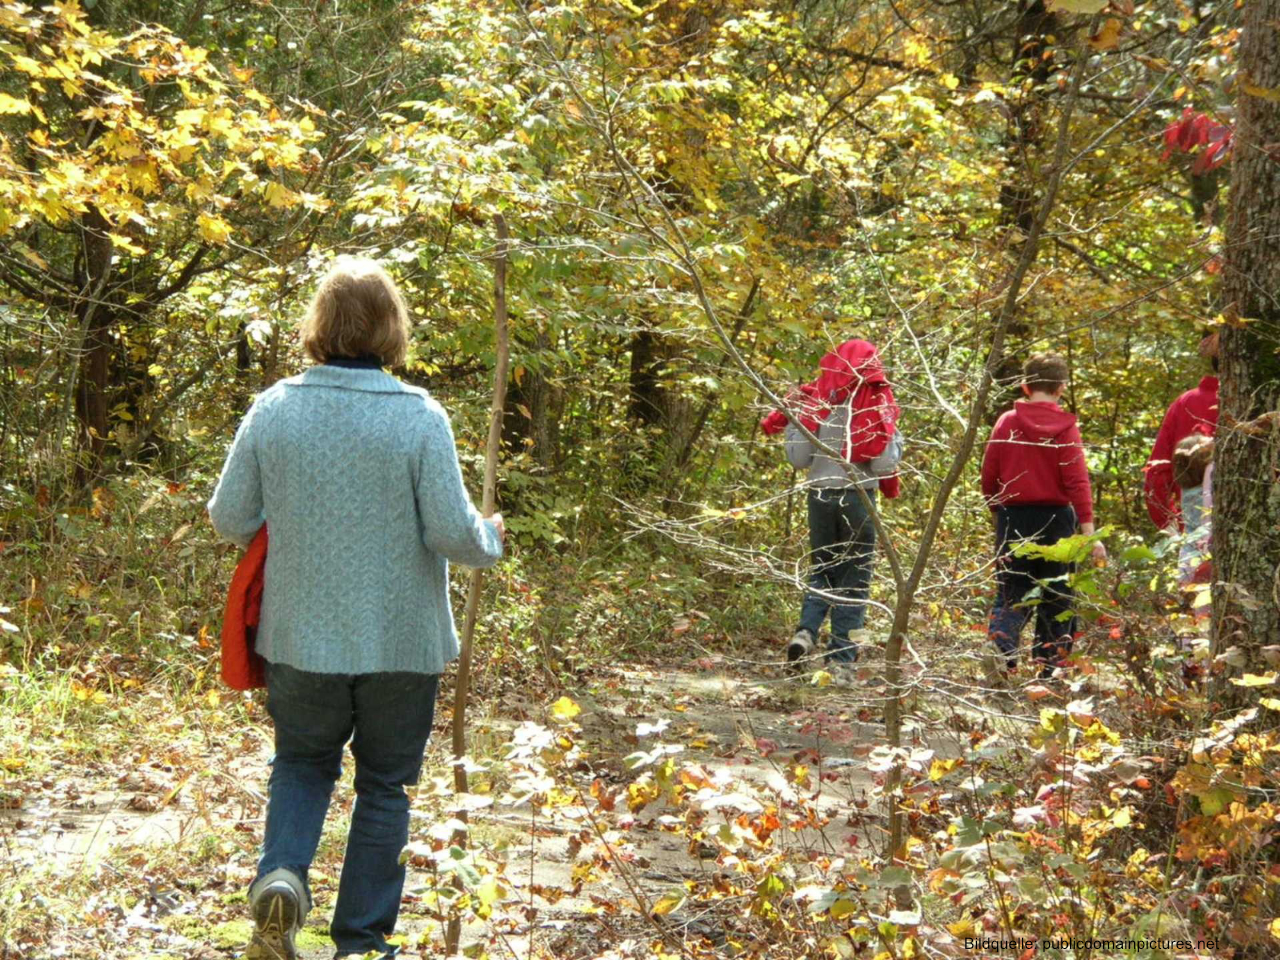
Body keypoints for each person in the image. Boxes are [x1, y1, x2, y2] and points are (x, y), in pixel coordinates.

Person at [207, 257, 504, 960]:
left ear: (319, 324)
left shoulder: (275, 406)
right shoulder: (419, 416)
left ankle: (281, 877)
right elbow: (451, 535)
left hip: (300, 637)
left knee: (303, 763)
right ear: (392, 328)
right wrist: (488, 538)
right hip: (401, 643)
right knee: (387, 787)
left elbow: (228, 515)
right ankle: (363, 943)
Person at [760, 339, 902, 682]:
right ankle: (841, 662)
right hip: (860, 497)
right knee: (855, 580)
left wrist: (797, 422)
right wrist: (895, 441)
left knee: (822, 567)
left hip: (820, 494)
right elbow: (883, 464)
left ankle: (806, 633)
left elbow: (797, 459)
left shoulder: (816, 398)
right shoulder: (876, 400)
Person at [980, 354, 1105, 682]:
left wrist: (1000, 511)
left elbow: (988, 475)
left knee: (1012, 591)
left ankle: (1001, 653)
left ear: (1025, 385)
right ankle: (1049, 670)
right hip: (1058, 523)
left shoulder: (1007, 421)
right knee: (1057, 594)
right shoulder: (1067, 428)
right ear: (1061, 388)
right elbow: (1077, 482)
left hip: (1014, 517)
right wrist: (1090, 534)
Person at [1144, 332, 1219, 532]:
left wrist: (1168, 523)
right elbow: (1158, 469)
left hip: (1193, 527)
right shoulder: (1186, 403)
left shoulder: (1186, 403)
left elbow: (1157, 470)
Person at [1172, 430, 1214, 599]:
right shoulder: (1206, 485)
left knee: (1192, 602)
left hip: (1187, 552)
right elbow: (1208, 511)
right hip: (1203, 548)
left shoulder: (1185, 489)